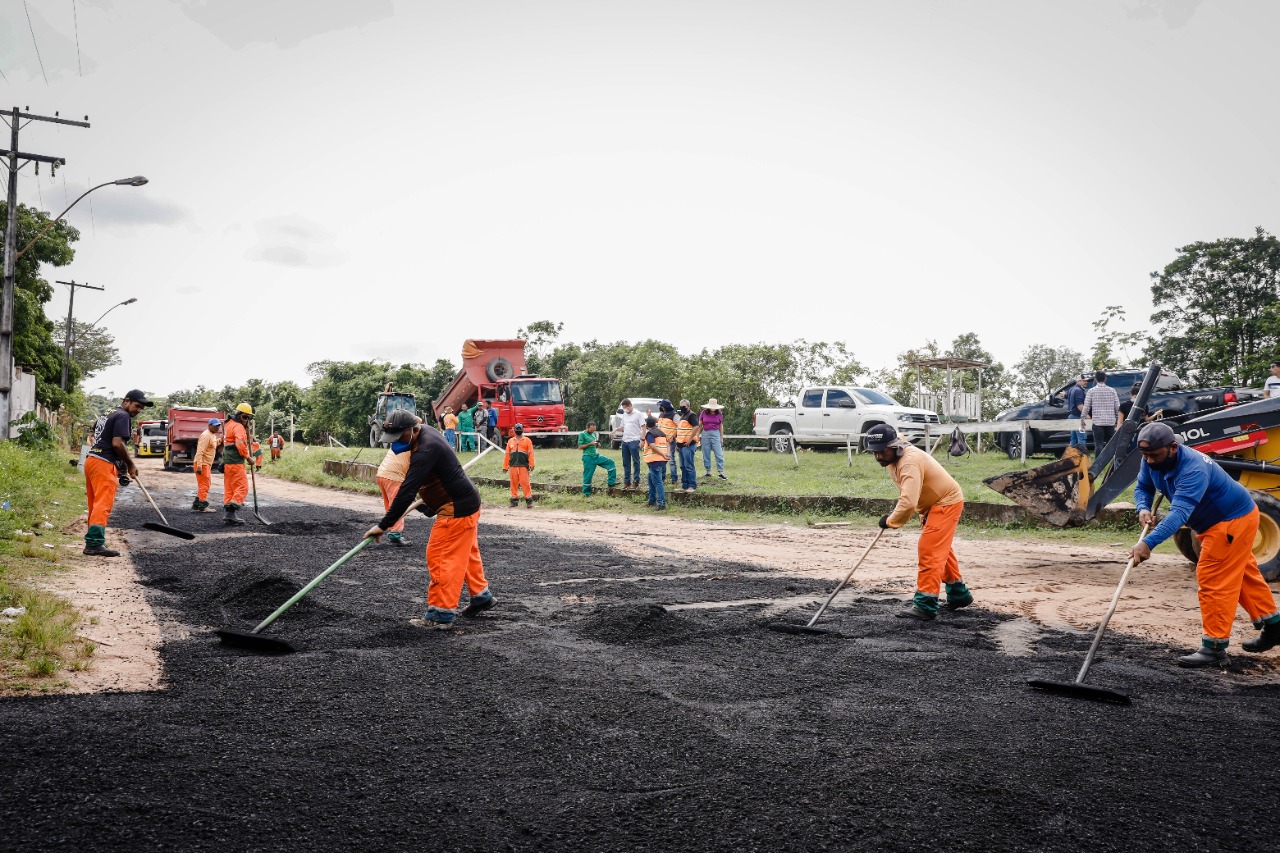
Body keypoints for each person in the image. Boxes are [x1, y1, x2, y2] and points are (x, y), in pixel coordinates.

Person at [1129, 422, 1280, 667]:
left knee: (1213, 579)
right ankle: (1275, 626)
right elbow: (1143, 486)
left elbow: (1179, 514)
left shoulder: (1193, 468)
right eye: (1145, 455)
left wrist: (1148, 543)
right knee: (1242, 575)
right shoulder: (1150, 459)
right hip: (1217, 522)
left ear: (1173, 448)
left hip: (1231, 521)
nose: (1150, 461)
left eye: (1154, 455)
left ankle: (1214, 647)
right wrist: (1142, 507)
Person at [364, 410, 495, 630]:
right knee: (465, 554)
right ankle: (481, 596)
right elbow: (434, 480)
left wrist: (383, 525)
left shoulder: (426, 448)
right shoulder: (424, 433)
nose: (395, 443)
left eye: (398, 437)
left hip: (456, 509)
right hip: (465, 503)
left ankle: (440, 615)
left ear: (413, 429)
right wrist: (429, 504)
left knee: (441, 556)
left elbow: (407, 491)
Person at [866, 424, 973, 621]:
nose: (879, 456)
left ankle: (925, 605)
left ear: (895, 446)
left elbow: (907, 503)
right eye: (875, 452)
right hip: (930, 506)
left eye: (882, 451)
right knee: (941, 550)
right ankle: (959, 595)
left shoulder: (909, 463)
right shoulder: (895, 449)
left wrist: (890, 521)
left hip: (945, 502)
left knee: (930, 551)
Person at [83, 389, 149, 556]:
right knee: (103, 503)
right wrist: (130, 464)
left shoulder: (108, 413)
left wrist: (121, 468)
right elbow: (117, 443)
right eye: (137, 406)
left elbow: (97, 434)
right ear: (126, 401)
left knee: (95, 503)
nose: (138, 410)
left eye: (141, 408)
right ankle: (95, 543)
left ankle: (92, 541)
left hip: (92, 460)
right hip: (104, 463)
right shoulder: (123, 416)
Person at [375, 417, 418, 546]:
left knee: (390, 506)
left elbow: (417, 420)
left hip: (381, 474)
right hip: (394, 476)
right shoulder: (411, 444)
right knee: (398, 505)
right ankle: (395, 534)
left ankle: (392, 530)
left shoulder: (398, 442)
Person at [221, 403, 255, 526]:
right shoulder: (238, 427)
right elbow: (240, 444)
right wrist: (248, 457)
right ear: (239, 415)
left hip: (228, 462)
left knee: (230, 488)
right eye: (245, 417)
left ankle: (228, 514)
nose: (247, 420)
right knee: (242, 487)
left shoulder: (228, 424)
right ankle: (232, 512)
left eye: (249, 418)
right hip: (236, 462)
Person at [1082, 370, 1121, 453]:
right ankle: (1112, 462)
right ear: (1105, 379)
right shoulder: (1112, 391)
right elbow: (1117, 407)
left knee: (1098, 444)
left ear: (1095, 379)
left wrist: (1082, 419)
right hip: (1110, 421)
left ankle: (1098, 464)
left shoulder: (1091, 391)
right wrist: (1117, 419)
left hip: (1097, 422)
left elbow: (1086, 407)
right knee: (1111, 444)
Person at [578, 420, 617, 496]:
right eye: (592, 429)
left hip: (596, 456)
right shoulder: (582, 434)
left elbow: (595, 445)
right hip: (588, 457)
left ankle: (611, 483)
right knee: (588, 475)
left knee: (611, 463)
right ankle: (586, 493)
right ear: (588, 427)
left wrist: (597, 445)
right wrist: (590, 444)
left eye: (594, 429)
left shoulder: (594, 434)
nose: (593, 431)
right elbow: (580, 447)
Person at [616, 399, 648, 490]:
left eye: (626, 408)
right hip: (625, 440)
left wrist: (642, 439)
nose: (625, 410)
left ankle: (636, 480)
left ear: (630, 406)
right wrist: (616, 429)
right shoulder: (625, 415)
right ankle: (627, 481)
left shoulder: (638, 414)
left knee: (635, 461)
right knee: (626, 462)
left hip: (634, 440)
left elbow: (643, 427)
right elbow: (623, 427)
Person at [191, 418, 222, 512]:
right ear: (209, 426)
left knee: (204, 484)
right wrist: (199, 466)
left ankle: (197, 504)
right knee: (205, 485)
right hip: (202, 464)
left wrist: (220, 439)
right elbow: (200, 451)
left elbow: (213, 444)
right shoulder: (205, 435)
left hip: (206, 464)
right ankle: (202, 506)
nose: (217, 427)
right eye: (215, 425)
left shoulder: (212, 435)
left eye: (218, 426)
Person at [503, 422, 535, 508]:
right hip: (513, 466)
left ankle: (529, 501)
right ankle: (514, 501)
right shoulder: (510, 441)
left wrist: (532, 464)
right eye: (517, 430)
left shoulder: (527, 441)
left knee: (525, 483)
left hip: (523, 466)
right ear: (514, 430)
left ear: (522, 430)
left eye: (519, 430)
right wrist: (505, 466)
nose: (518, 431)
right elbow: (507, 455)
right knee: (513, 484)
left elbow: (531, 453)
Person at [642, 415, 669, 510]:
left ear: (647, 425)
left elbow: (652, 446)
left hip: (654, 460)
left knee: (658, 482)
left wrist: (662, 454)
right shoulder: (662, 433)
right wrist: (666, 454)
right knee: (650, 480)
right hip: (662, 460)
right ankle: (652, 500)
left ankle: (661, 503)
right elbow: (668, 443)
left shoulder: (650, 434)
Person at [674, 399, 701, 493]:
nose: (682, 408)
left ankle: (692, 485)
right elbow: (680, 430)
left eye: (684, 406)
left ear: (688, 406)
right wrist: (677, 444)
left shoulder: (691, 415)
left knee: (689, 466)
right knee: (683, 466)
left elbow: (696, 426)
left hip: (688, 445)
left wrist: (690, 439)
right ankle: (684, 485)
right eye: (681, 406)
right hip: (681, 445)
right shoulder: (683, 416)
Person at [700, 398, 727, 480]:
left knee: (719, 453)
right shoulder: (703, 413)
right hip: (705, 433)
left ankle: (721, 472)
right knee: (706, 453)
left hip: (715, 433)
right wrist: (697, 435)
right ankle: (708, 471)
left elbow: (721, 426)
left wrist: (721, 437)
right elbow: (699, 424)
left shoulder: (719, 414)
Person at [657, 400, 679, 487]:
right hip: (661, 441)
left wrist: (673, 437)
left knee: (671, 460)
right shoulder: (662, 414)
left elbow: (679, 426)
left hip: (670, 441)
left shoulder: (674, 415)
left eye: (661, 406)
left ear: (664, 407)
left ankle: (674, 479)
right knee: (662, 459)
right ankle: (662, 479)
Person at [1065, 374, 1089, 449]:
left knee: (1073, 439)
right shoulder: (1079, 391)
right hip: (1078, 417)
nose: (1086, 382)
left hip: (1072, 417)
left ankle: (1070, 457)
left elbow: (1066, 395)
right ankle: (1081, 457)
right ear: (1079, 381)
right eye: (1084, 381)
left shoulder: (1072, 389)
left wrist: (1063, 394)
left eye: (1086, 381)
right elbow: (1080, 406)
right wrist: (1087, 416)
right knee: (1081, 438)